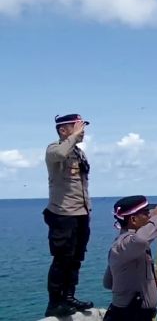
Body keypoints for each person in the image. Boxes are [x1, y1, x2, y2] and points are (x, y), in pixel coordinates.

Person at [43, 114, 93, 317]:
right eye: (78, 127)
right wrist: (73, 136)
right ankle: (55, 302)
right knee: (61, 259)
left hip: (80, 213)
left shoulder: (79, 153)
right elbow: (61, 153)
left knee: (75, 259)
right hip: (63, 214)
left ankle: (69, 297)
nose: (82, 131)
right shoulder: (54, 149)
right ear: (63, 130)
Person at [103, 195, 157, 321]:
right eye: (146, 213)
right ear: (133, 219)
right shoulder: (125, 244)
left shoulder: (124, 246)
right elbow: (141, 239)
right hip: (129, 316)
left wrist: (147, 284)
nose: (149, 216)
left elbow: (109, 282)